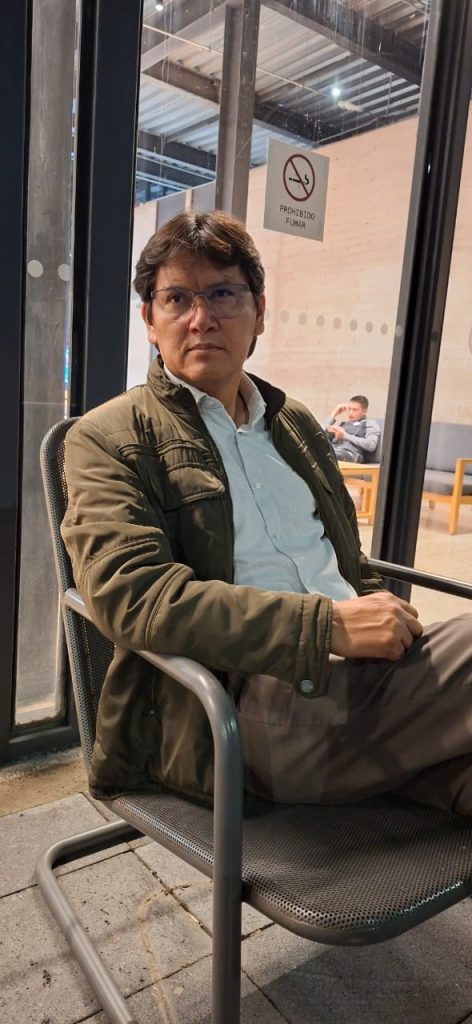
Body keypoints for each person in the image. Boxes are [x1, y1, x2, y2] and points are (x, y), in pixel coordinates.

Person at [61, 210, 472, 814]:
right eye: (176, 298)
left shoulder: (294, 424)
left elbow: (345, 558)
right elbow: (134, 596)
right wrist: (326, 627)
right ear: (149, 320)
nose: (201, 318)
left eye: (223, 294)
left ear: (259, 311)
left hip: (364, 689)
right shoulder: (109, 437)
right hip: (240, 708)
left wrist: (380, 617)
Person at [325, 395, 380, 463]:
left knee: (328, 456)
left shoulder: (370, 423)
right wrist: (333, 414)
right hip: (335, 451)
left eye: (355, 410)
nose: (350, 413)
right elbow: (319, 436)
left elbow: (371, 445)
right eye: (349, 409)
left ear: (364, 411)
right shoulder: (343, 424)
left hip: (351, 454)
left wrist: (345, 435)